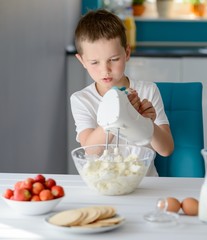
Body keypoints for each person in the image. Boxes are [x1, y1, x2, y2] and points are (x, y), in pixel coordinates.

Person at [70, 9, 174, 176]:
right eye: (94, 62)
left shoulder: (148, 91)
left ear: (126, 53)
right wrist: (120, 114)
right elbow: (90, 151)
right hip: (104, 183)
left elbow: (166, 149)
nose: (105, 70)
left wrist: (146, 123)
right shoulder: (82, 100)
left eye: (113, 59)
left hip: (146, 184)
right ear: (82, 61)